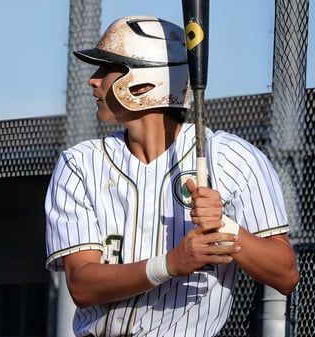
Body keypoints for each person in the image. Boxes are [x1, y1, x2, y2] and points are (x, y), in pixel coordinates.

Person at [44, 15, 299, 337]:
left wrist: (226, 228)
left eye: (107, 69)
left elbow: (285, 274)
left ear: (143, 82)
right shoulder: (80, 163)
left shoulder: (232, 157)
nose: (93, 81)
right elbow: (82, 286)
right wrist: (171, 264)